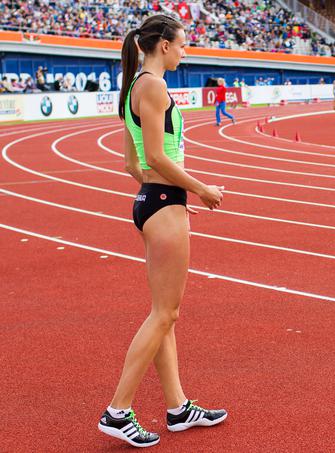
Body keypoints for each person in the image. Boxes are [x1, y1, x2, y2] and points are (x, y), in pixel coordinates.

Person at [99, 14, 226, 448]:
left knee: (165, 315)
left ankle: (177, 408)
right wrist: (200, 189)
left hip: (154, 203)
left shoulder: (135, 86)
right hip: (164, 205)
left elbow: (131, 164)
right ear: (164, 47)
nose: (187, 51)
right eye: (184, 44)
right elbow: (153, 155)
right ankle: (118, 411)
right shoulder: (152, 86)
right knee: (164, 315)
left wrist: (164, 196)